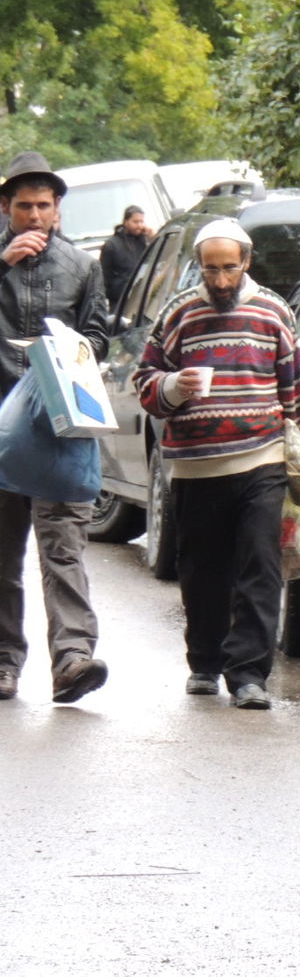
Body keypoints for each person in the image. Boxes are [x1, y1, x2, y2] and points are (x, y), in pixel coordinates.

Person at [133, 218, 300, 710]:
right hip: (195, 466)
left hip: (262, 459)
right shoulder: (179, 314)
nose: (218, 280)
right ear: (199, 266)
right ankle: (204, 663)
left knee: (260, 566)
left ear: (247, 263)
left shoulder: (274, 313)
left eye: (228, 269)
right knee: (202, 569)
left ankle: (249, 675)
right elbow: (144, 381)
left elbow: (296, 392)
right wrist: (173, 388)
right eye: (210, 269)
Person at [0, 151, 111, 703]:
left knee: (63, 548)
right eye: (25, 207)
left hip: (57, 428)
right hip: (0, 432)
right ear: (6, 208)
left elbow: (99, 337)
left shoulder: (83, 266)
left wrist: (70, 350)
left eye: (45, 206)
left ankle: (73, 659)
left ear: (59, 209)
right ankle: (4, 661)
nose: (36, 217)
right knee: (2, 558)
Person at [98, 204, 152, 304]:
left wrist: (152, 237)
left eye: (141, 221)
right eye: (135, 222)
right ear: (126, 222)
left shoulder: (145, 241)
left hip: (143, 299)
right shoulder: (112, 245)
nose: (139, 225)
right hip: (120, 302)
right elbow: (103, 278)